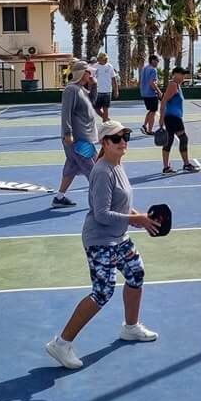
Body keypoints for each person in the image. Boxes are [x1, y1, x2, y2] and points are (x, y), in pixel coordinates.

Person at [45, 120, 161, 369]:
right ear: (105, 143)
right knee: (103, 291)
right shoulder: (102, 171)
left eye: (125, 137)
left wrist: (137, 217)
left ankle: (130, 328)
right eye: (117, 138)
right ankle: (61, 344)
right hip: (100, 240)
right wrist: (133, 219)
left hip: (118, 238)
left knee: (135, 272)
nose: (123, 142)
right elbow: (101, 214)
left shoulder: (118, 165)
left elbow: (119, 204)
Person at [53, 60, 99, 209]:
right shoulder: (71, 90)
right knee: (93, 169)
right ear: (81, 73)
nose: (90, 74)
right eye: (88, 72)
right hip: (79, 139)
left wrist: (94, 86)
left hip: (84, 137)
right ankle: (99, 201)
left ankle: (59, 197)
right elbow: (66, 112)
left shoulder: (81, 89)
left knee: (72, 167)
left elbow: (91, 101)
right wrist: (68, 133)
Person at [158, 66, 201, 176]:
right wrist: (161, 119)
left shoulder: (177, 85)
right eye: (181, 74)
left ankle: (168, 167)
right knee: (180, 139)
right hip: (172, 118)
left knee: (172, 140)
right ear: (175, 74)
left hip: (174, 118)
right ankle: (181, 165)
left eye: (184, 74)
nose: (183, 76)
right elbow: (163, 101)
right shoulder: (172, 85)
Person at [92, 52, 119, 122]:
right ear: (99, 59)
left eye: (107, 58)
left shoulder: (110, 66)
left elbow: (114, 79)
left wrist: (116, 90)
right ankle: (106, 119)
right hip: (97, 91)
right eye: (104, 59)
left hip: (107, 91)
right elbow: (91, 79)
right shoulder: (94, 67)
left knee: (105, 108)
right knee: (96, 109)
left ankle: (105, 123)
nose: (106, 60)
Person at [139, 55, 162, 134]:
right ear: (152, 60)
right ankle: (149, 130)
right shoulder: (153, 70)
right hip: (151, 94)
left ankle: (144, 126)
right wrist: (159, 92)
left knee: (151, 111)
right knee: (153, 111)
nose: (158, 63)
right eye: (157, 61)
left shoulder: (144, 68)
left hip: (144, 93)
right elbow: (152, 83)